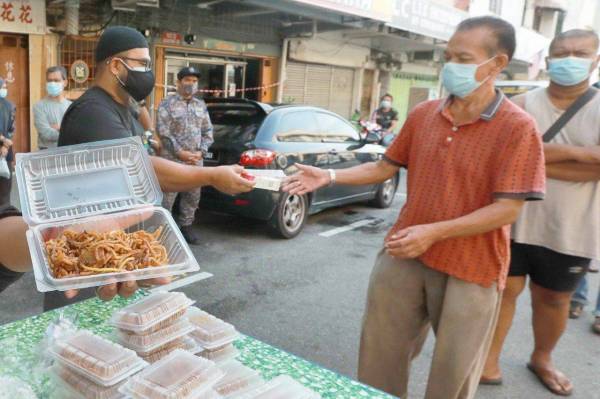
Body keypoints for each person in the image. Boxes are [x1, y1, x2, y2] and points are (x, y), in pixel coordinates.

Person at [282, 16, 545, 399]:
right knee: (379, 357)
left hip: (472, 266)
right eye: (448, 55)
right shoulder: (425, 114)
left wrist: (435, 232)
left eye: (463, 57)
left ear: (497, 64)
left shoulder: (517, 127)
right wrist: (330, 177)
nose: (450, 65)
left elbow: (508, 209)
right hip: (405, 251)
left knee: (453, 374)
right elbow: (384, 167)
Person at [38, 25, 254, 309]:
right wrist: (212, 175)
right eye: (143, 64)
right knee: (80, 345)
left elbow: (139, 124)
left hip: (112, 259)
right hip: (85, 263)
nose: (148, 73)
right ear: (116, 65)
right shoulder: (92, 112)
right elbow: (140, 168)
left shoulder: (119, 106)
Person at [482, 29, 600, 396]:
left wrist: (534, 156)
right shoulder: (520, 104)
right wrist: (584, 156)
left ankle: (542, 357)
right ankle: (488, 359)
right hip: (512, 219)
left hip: (570, 226)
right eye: (561, 52)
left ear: (595, 60)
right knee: (503, 291)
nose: (569, 58)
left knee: (554, 298)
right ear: (548, 59)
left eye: (580, 52)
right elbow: (500, 154)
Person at [157, 66, 213, 245]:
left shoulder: (200, 105)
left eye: (194, 81)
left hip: (195, 160)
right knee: (167, 197)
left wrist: (200, 152)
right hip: (172, 160)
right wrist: (180, 152)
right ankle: (162, 229)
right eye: (188, 80)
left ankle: (186, 226)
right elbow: (163, 132)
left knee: (192, 196)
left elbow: (208, 131)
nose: (191, 84)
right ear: (179, 82)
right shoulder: (167, 104)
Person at [33, 66, 71, 149]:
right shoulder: (39, 106)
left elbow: (76, 130)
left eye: (56, 80)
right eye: (49, 80)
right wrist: (66, 130)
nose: (52, 83)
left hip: (67, 152)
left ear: (65, 82)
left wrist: (59, 128)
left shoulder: (71, 106)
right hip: (47, 154)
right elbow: (46, 134)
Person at [0, 77, 15, 207]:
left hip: (5, 152)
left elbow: (11, 128)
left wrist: (5, 143)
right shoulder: (9, 105)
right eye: (2, 86)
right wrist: (5, 142)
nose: (3, 89)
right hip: (5, 149)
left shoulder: (9, 105)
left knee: (5, 188)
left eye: (4, 86)